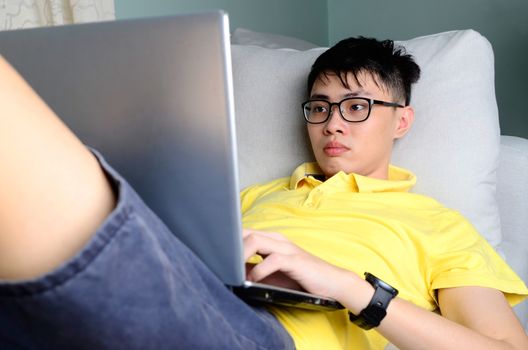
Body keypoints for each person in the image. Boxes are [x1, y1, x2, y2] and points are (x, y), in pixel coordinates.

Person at [0, 35, 527, 350]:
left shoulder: (442, 225)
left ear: (402, 121)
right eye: (319, 107)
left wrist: (347, 286)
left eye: (356, 106)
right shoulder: (254, 195)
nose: (333, 124)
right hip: (189, 296)